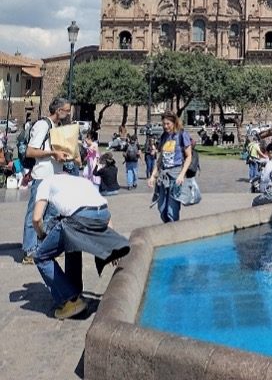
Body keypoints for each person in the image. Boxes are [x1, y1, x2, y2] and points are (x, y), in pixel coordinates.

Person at [31, 172, 129, 319]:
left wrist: (42, 236)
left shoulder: (46, 182)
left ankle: (71, 300)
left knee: (41, 256)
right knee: (72, 242)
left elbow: (37, 218)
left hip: (80, 218)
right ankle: (75, 291)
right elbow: (103, 211)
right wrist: (110, 242)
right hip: (101, 214)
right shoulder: (81, 181)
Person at [21, 97, 72, 264]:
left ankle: (45, 247)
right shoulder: (43, 125)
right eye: (66, 110)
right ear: (58, 111)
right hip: (42, 177)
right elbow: (30, 151)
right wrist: (52, 154)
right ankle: (29, 251)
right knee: (35, 214)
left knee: (52, 215)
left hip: (55, 176)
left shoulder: (57, 127)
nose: (68, 113)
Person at [147, 111, 194, 223]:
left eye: (168, 123)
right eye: (164, 124)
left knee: (171, 211)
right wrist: (153, 176)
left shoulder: (182, 135)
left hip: (176, 174)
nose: (165, 126)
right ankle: (167, 227)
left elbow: (189, 157)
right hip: (163, 175)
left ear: (174, 122)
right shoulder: (164, 136)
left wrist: (182, 175)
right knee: (162, 208)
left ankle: (173, 233)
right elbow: (160, 159)